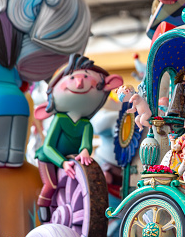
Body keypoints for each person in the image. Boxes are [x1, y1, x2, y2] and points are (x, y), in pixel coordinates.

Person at [35, 54, 123, 222]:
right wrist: (62, 162)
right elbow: (48, 147)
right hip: (49, 159)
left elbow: (86, 144)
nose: (80, 83)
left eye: (85, 78)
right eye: (73, 77)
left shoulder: (86, 124)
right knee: (52, 184)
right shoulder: (59, 120)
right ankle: (43, 208)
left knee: (79, 184)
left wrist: (84, 152)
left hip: (73, 160)